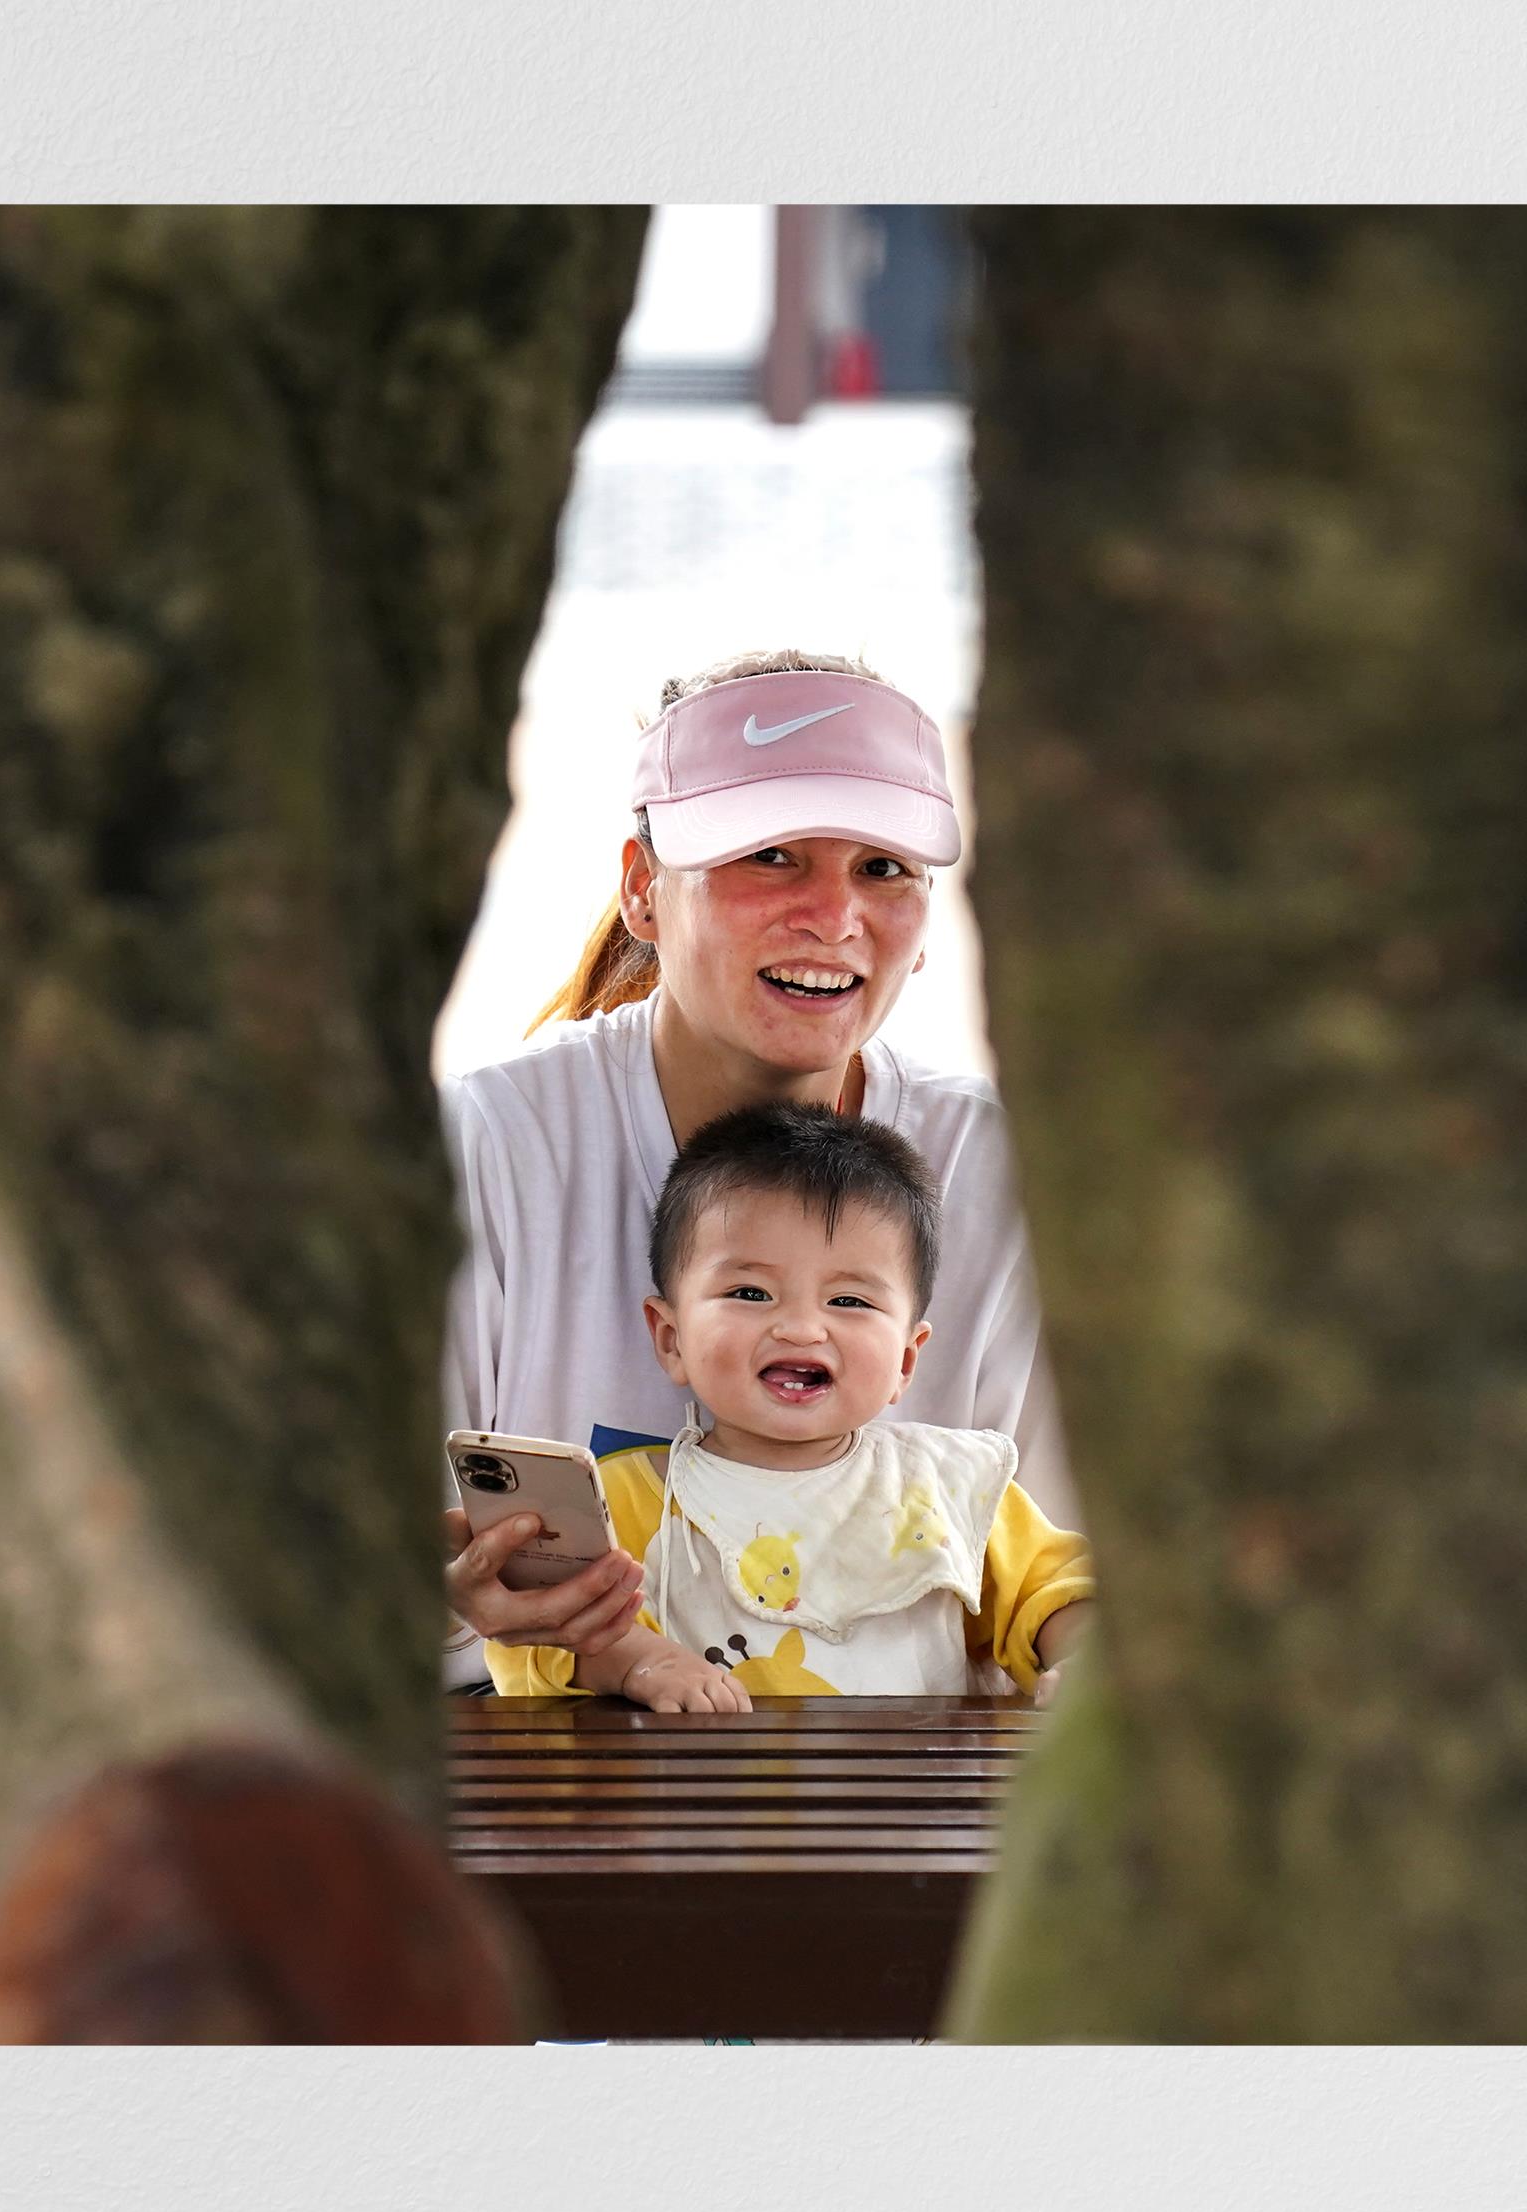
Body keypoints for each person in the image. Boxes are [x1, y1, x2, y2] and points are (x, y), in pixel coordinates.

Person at [435, 651, 1074, 1686]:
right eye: (770, 855)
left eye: (883, 868)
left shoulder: (1006, 1175)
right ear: (642, 890)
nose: (834, 915)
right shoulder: (484, 1149)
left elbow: (1074, 1588)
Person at [479, 1101, 1092, 1707]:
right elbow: (542, 1637)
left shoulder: (953, 1486)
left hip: (920, 1775)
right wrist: (638, 1661)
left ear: (906, 1359)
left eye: (849, 1301)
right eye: (750, 1292)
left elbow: (1055, 1591)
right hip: (695, 1777)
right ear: (671, 1339)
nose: (800, 1328)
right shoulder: (627, 1502)